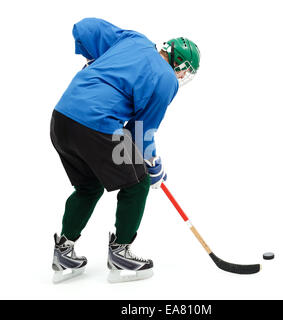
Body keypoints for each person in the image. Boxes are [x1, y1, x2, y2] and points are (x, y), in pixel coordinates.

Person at [50, 17, 200, 283]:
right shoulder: (166, 78)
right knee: (138, 181)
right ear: (182, 65)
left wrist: (95, 60)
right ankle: (121, 254)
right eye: (184, 73)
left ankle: (64, 252)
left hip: (62, 119)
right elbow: (141, 131)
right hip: (96, 125)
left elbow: (84, 28)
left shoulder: (134, 40)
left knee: (89, 186)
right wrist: (152, 165)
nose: (181, 78)